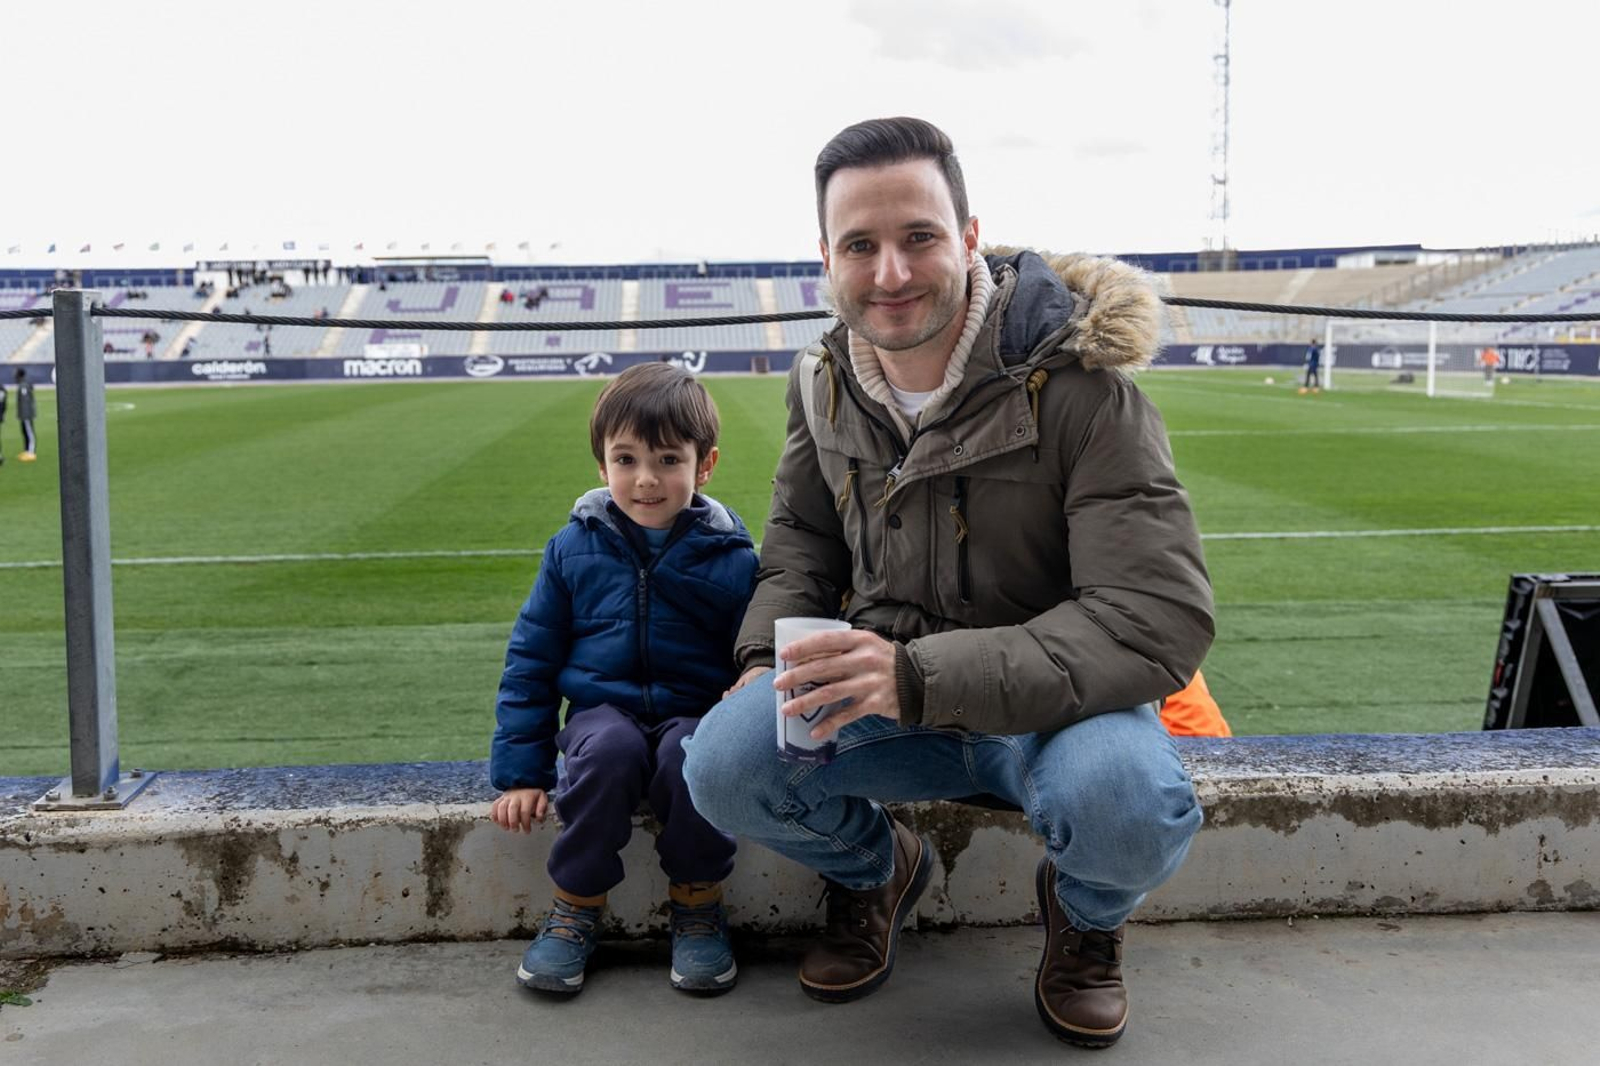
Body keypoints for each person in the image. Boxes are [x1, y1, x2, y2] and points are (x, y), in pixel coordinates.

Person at [680, 117, 1212, 1048]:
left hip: (1054, 707)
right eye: (860, 245)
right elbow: (803, 541)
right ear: (826, 258)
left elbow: (1151, 619)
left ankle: (1085, 916)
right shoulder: (822, 380)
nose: (890, 272)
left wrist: (920, 677)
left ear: (968, 238)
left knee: (1128, 805)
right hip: (882, 693)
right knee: (724, 765)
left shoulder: (1085, 391)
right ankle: (876, 871)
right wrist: (764, 656)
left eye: (918, 237)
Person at [489, 361, 759, 998]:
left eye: (668, 460)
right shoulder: (571, 548)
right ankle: (576, 906)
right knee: (608, 751)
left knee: (690, 756)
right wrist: (522, 774)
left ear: (705, 465)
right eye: (626, 459)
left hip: (693, 712)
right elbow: (531, 660)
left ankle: (697, 903)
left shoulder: (733, 558)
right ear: (601, 465)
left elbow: (753, 653)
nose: (646, 479)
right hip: (600, 714)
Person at [14, 368, 38, 462]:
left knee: (29, 433)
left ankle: (31, 452)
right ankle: (27, 451)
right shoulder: (22, 385)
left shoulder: (23, 386)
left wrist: (24, 415)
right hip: (23, 415)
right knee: (25, 432)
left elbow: (25, 402)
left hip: (26, 415)